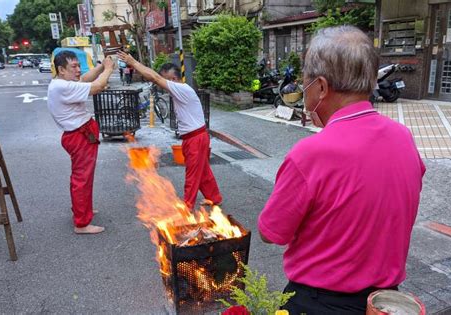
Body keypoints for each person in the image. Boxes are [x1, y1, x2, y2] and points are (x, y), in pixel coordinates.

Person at [257, 26, 426, 315]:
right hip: (386, 303)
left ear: (321, 87)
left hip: (319, 304)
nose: (303, 91)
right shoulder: (403, 138)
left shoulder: (311, 153)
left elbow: (271, 232)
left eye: (305, 83)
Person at [117, 51, 222, 209]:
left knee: (193, 173)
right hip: (194, 137)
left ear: (173, 79)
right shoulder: (181, 89)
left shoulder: (181, 89)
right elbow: (156, 78)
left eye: (165, 80)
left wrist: (133, 62)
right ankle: (214, 197)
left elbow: (154, 78)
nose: (162, 85)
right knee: (203, 171)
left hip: (196, 138)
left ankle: (187, 206)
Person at [47, 51, 114, 234]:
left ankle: (82, 209)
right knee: (82, 178)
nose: (78, 70)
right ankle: (82, 223)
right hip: (79, 136)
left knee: (82, 177)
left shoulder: (64, 83)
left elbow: (85, 79)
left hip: (80, 133)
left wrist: (101, 65)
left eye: (78, 65)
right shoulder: (61, 87)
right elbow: (97, 86)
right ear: (61, 69)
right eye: (73, 67)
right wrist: (108, 69)